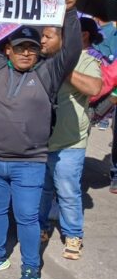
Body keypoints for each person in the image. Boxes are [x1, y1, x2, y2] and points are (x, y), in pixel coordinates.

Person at [0, 0, 80, 279]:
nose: (26, 52)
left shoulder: (47, 74)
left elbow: (70, 51)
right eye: (20, 48)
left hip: (28, 164)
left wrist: (70, 13)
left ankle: (31, 268)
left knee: (28, 217)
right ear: (8, 49)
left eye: (32, 48)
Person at [38, 21, 102, 260]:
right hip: (41, 141)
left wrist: (64, 69)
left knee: (67, 190)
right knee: (42, 190)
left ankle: (73, 234)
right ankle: (41, 227)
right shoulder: (40, 59)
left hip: (70, 143)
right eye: (41, 36)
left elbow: (95, 87)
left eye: (48, 36)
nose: (42, 41)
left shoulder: (85, 60)